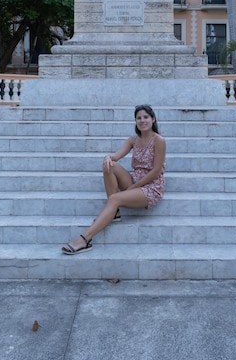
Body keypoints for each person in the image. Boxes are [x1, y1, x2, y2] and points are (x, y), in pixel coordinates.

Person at [62, 104, 166, 254]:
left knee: (114, 199)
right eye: (139, 118)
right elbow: (116, 156)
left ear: (153, 119)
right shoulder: (133, 140)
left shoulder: (159, 140)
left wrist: (133, 188)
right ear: (135, 121)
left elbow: (156, 171)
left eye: (146, 117)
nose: (142, 120)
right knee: (109, 165)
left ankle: (85, 239)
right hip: (135, 180)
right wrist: (107, 157)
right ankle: (114, 212)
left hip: (151, 186)